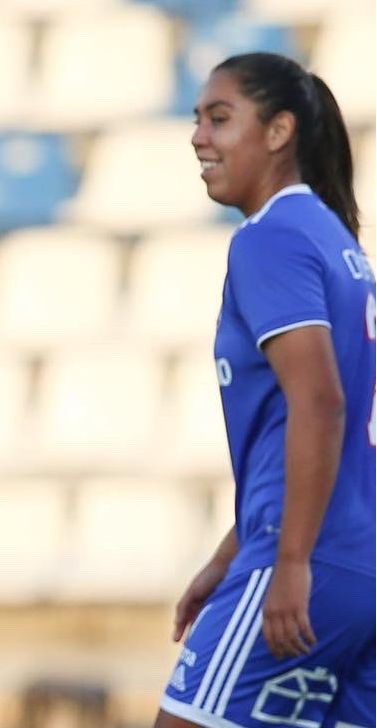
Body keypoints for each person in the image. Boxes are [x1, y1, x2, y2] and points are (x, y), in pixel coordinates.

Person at [152, 52, 375, 728]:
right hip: (358, 566)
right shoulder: (338, 243)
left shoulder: (268, 239)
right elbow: (299, 429)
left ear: (278, 132)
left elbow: (319, 403)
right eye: (196, 120)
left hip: (310, 563)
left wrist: (287, 562)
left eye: (219, 119)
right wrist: (228, 554)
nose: (198, 137)